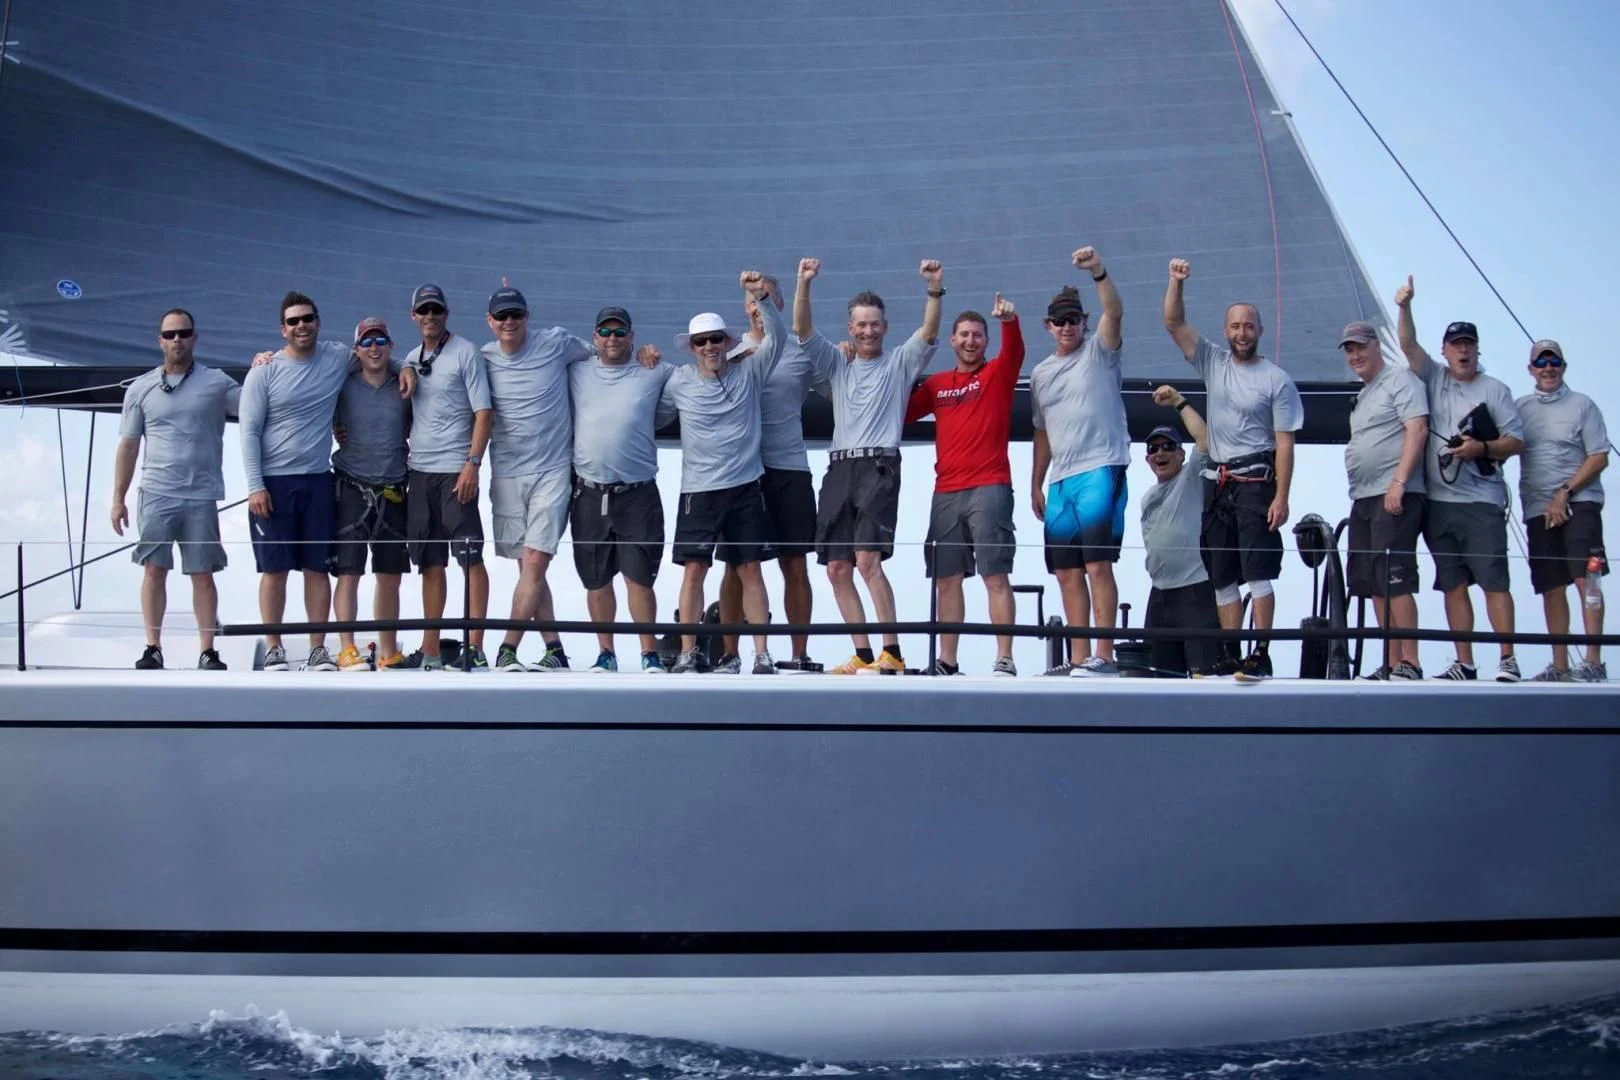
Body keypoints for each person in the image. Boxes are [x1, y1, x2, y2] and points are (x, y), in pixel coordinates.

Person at [241, 292, 413, 672]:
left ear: (318, 322)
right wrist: (255, 485)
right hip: (273, 481)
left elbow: (377, 358)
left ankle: (320, 648)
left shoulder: (336, 357)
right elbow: (249, 431)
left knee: (318, 568)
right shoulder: (264, 370)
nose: (301, 326)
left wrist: (406, 368)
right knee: (275, 569)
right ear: (282, 328)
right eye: (293, 321)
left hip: (319, 478)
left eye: (308, 319)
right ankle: (274, 648)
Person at [794, 257, 942, 674]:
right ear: (850, 328)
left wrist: (934, 289)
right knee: (837, 567)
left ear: (885, 327)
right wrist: (803, 283)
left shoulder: (899, 363)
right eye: (860, 324)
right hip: (839, 468)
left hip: (878, 465)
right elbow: (803, 332)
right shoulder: (838, 364)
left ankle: (891, 652)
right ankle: (862, 654)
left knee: (866, 560)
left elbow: (929, 333)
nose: (867, 330)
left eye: (874, 323)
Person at [1162, 258, 1304, 680]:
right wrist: (1176, 282)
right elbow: (1173, 322)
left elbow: (1285, 442)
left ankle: (1260, 654)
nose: (1242, 333)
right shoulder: (1212, 361)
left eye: (1249, 326)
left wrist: (1282, 496)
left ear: (1259, 330)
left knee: (1257, 573)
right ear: (1226, 331)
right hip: (1218, 483)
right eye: (1235, 326)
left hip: (1256, 482)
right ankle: (1229, 653)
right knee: (1222, 576)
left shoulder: (1277, 379)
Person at [1394, 276, 1526, 682]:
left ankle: (1508, 659)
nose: (1463, 350)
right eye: (1457, 344)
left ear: (1477, 349)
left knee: (1493, 581)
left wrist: (1480, 450)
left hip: (1483, 501)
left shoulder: (1496, 389)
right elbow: (1407, 346)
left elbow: (1516, 441)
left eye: (1469, 344)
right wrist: (1404, 306)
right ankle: (1464, 663)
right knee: (1452, 585)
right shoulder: (1434, 377)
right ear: (1446, 351)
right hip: (1440, 503)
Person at [660, 271, 786, 674]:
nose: (710, 346)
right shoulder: (677, 380)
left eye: (716, 339)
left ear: (728, 342)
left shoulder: (750, 370)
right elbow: (652, 414)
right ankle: (687, 652)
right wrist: (644, 359)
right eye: (701, 341)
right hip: (699, 490)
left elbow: (779, 338)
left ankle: (761, 653)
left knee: (750, 569)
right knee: (695, 570)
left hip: (746, 487)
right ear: (692, 347)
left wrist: (760, 296)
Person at [111, 308, 239, 670]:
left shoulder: (216, 382)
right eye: (170, 334)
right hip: (156, 491)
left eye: (183, 333)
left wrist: (266, 367)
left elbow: (256, 408)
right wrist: (117, 499)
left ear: (194, 338)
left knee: (203, 573)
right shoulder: (141, 388)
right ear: (160, 340)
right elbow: (129, 445)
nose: (177, 340)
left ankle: (207, 650)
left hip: (201, 493)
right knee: (154, 569)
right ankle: (153, 646)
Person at [480, 283, 598, 672]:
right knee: (528, 567)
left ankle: (507, 648)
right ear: (490, 322)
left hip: (552, 471)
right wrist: (406, 368)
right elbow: (440, 372)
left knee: (533, 561)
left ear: (528, 317)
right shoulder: (480, 358)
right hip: (507, 475)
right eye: (502, 316)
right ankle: (555, 650)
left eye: (516, 314)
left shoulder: (557, 343)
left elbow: (605, 351)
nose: (509, 321)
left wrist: (642, 354)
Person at [906, 292, 1024, 676]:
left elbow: (1015, 352)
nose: (971, 341)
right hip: (946, 490)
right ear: (953, 341)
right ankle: (947, 661)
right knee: (946, 577)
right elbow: (901, 412)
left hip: (989, 485)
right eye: (964, 335)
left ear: (985, 342)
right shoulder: (938, 384)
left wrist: (1009, 321)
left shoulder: (997, 374)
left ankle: (1004, 656)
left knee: (994, 574)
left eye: (977, 335)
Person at [717, 274, 830, 673]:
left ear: (779, 305)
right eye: (751, 299)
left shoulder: (801, 351)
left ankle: (798, 655)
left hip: (790, 469)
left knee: (794, 564)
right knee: (735, 565)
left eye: (765, 298)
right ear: (745, 307)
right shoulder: (726, 353)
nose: (758, 305)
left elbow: (841, 387)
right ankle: (730, 654)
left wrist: (847, 354)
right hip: (741, 472)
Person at [1031, 247, 1127, 677]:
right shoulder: (1040, 374)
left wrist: (1097, 271)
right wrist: (1036, 481)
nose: (1067, 327)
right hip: (1061, 479)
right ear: (1048, 326)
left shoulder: (1100, 351)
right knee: (1066, 572)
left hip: (1100, 466)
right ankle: (1077, 658)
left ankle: (1103, 656)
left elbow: (1115, 311)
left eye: (1074, 319)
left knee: (1096, 564)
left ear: (1084, 323)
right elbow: (1042, 430)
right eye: (1059, 321)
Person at [567, 305, 675, 672]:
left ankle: (649, 654)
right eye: (605, 332)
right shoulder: (575, 370)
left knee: (639, 578)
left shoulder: (655, 371)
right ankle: (605, 653)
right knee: (596, 579)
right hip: (589, 492)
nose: (612, 338)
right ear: (595, 336)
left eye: (620, 332)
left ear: (632, 336)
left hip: (638, 494)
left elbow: (707, 370)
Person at [400, 284, 493, 671]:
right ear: (414, 317)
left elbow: (484, 412)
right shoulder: (410, 356)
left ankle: (475, 646)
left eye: (436, 309)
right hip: (419, 474)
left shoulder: (466, 352)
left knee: (470, 559)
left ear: (446, 313)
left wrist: (472, 463)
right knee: (430, 563)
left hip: (457, 472)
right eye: (424, 310)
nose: (430, 316)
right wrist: (404, 366)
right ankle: (431, 650)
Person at [1339, 321, 1429, 680]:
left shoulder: (1401, 379)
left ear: (1377, 346)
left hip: (1393, 495)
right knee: (1373, 583)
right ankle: (1391, 663)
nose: (1356, 355)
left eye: (1361, 346)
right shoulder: (1363, 394)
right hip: (1363, 498)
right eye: (1349, 349)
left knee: (1395, 580)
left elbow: (1417, 428)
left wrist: (1399, 483)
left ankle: (1411, 661)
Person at [1516, 339, 1609, 682]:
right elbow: (1505, 443)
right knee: (1551, 585)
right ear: (1531, 370)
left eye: (1554, 361)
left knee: (1587, 577)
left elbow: (1599, 456)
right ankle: (1560, 665)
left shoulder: (1583, 405)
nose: (1548, 368)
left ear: (1563, 367)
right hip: (1537, 508)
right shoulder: (1520, 408)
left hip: (1580, 502)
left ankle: (1593, 660)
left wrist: (1565, 493)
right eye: (1541, 362)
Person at [330, 317, 411, 671]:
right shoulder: (342, 384)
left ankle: (389, 652)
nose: (374, 347)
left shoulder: (406, 383)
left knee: (389, 576)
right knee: (348, 573)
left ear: (391, 345)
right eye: (366, 342)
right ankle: (347, 648)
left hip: (394, 489)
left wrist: (405, 367)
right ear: (356, 349)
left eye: (381, 340)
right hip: (351, 486)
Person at [1139, 387, 1223, 677]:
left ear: (1180, 454)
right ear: (1147, 458)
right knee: (1157, 680)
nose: (1160, 452)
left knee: (1206, 676)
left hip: (1195, 591)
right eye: (1153, 448)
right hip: (1160, 594)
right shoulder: (1147, 498)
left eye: (1167, 447)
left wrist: (1178, 402)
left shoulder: (1191, 476)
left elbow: (1206, 441)